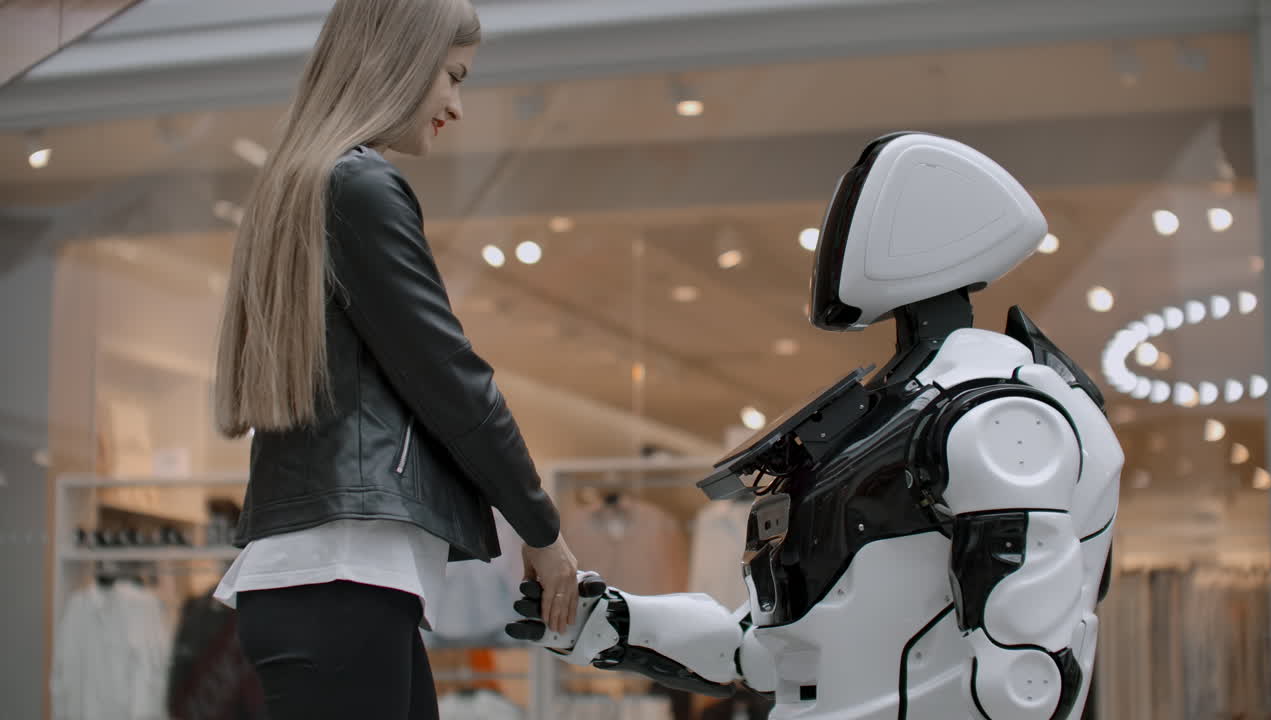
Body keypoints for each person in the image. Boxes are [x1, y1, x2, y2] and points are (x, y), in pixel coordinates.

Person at [506, 132, 1123, 720]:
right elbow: (760, 651)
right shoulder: (889, 423)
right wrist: (612, 622)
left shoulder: (993, 419)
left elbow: (1026, 666)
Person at [210, 1, 580, 718]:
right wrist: (543, 531)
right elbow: (452, 381)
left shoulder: (309, 186)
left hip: (332, 586)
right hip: (342, 584)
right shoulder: (359, 186)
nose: (457, 106)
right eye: (452, 76)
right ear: (400, 61)